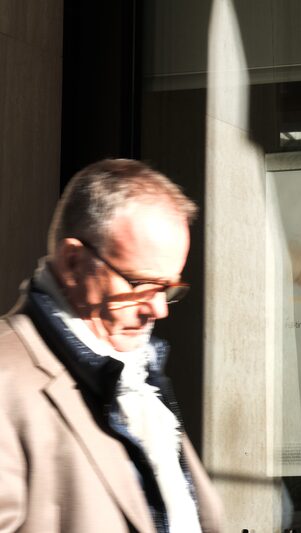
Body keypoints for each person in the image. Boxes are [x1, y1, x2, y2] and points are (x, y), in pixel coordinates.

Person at [0, 159, 222, 532]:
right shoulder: (8, 379)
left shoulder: (138, 374)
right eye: (141, 285)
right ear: (73, 262)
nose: (158, 308)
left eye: (168, 289)